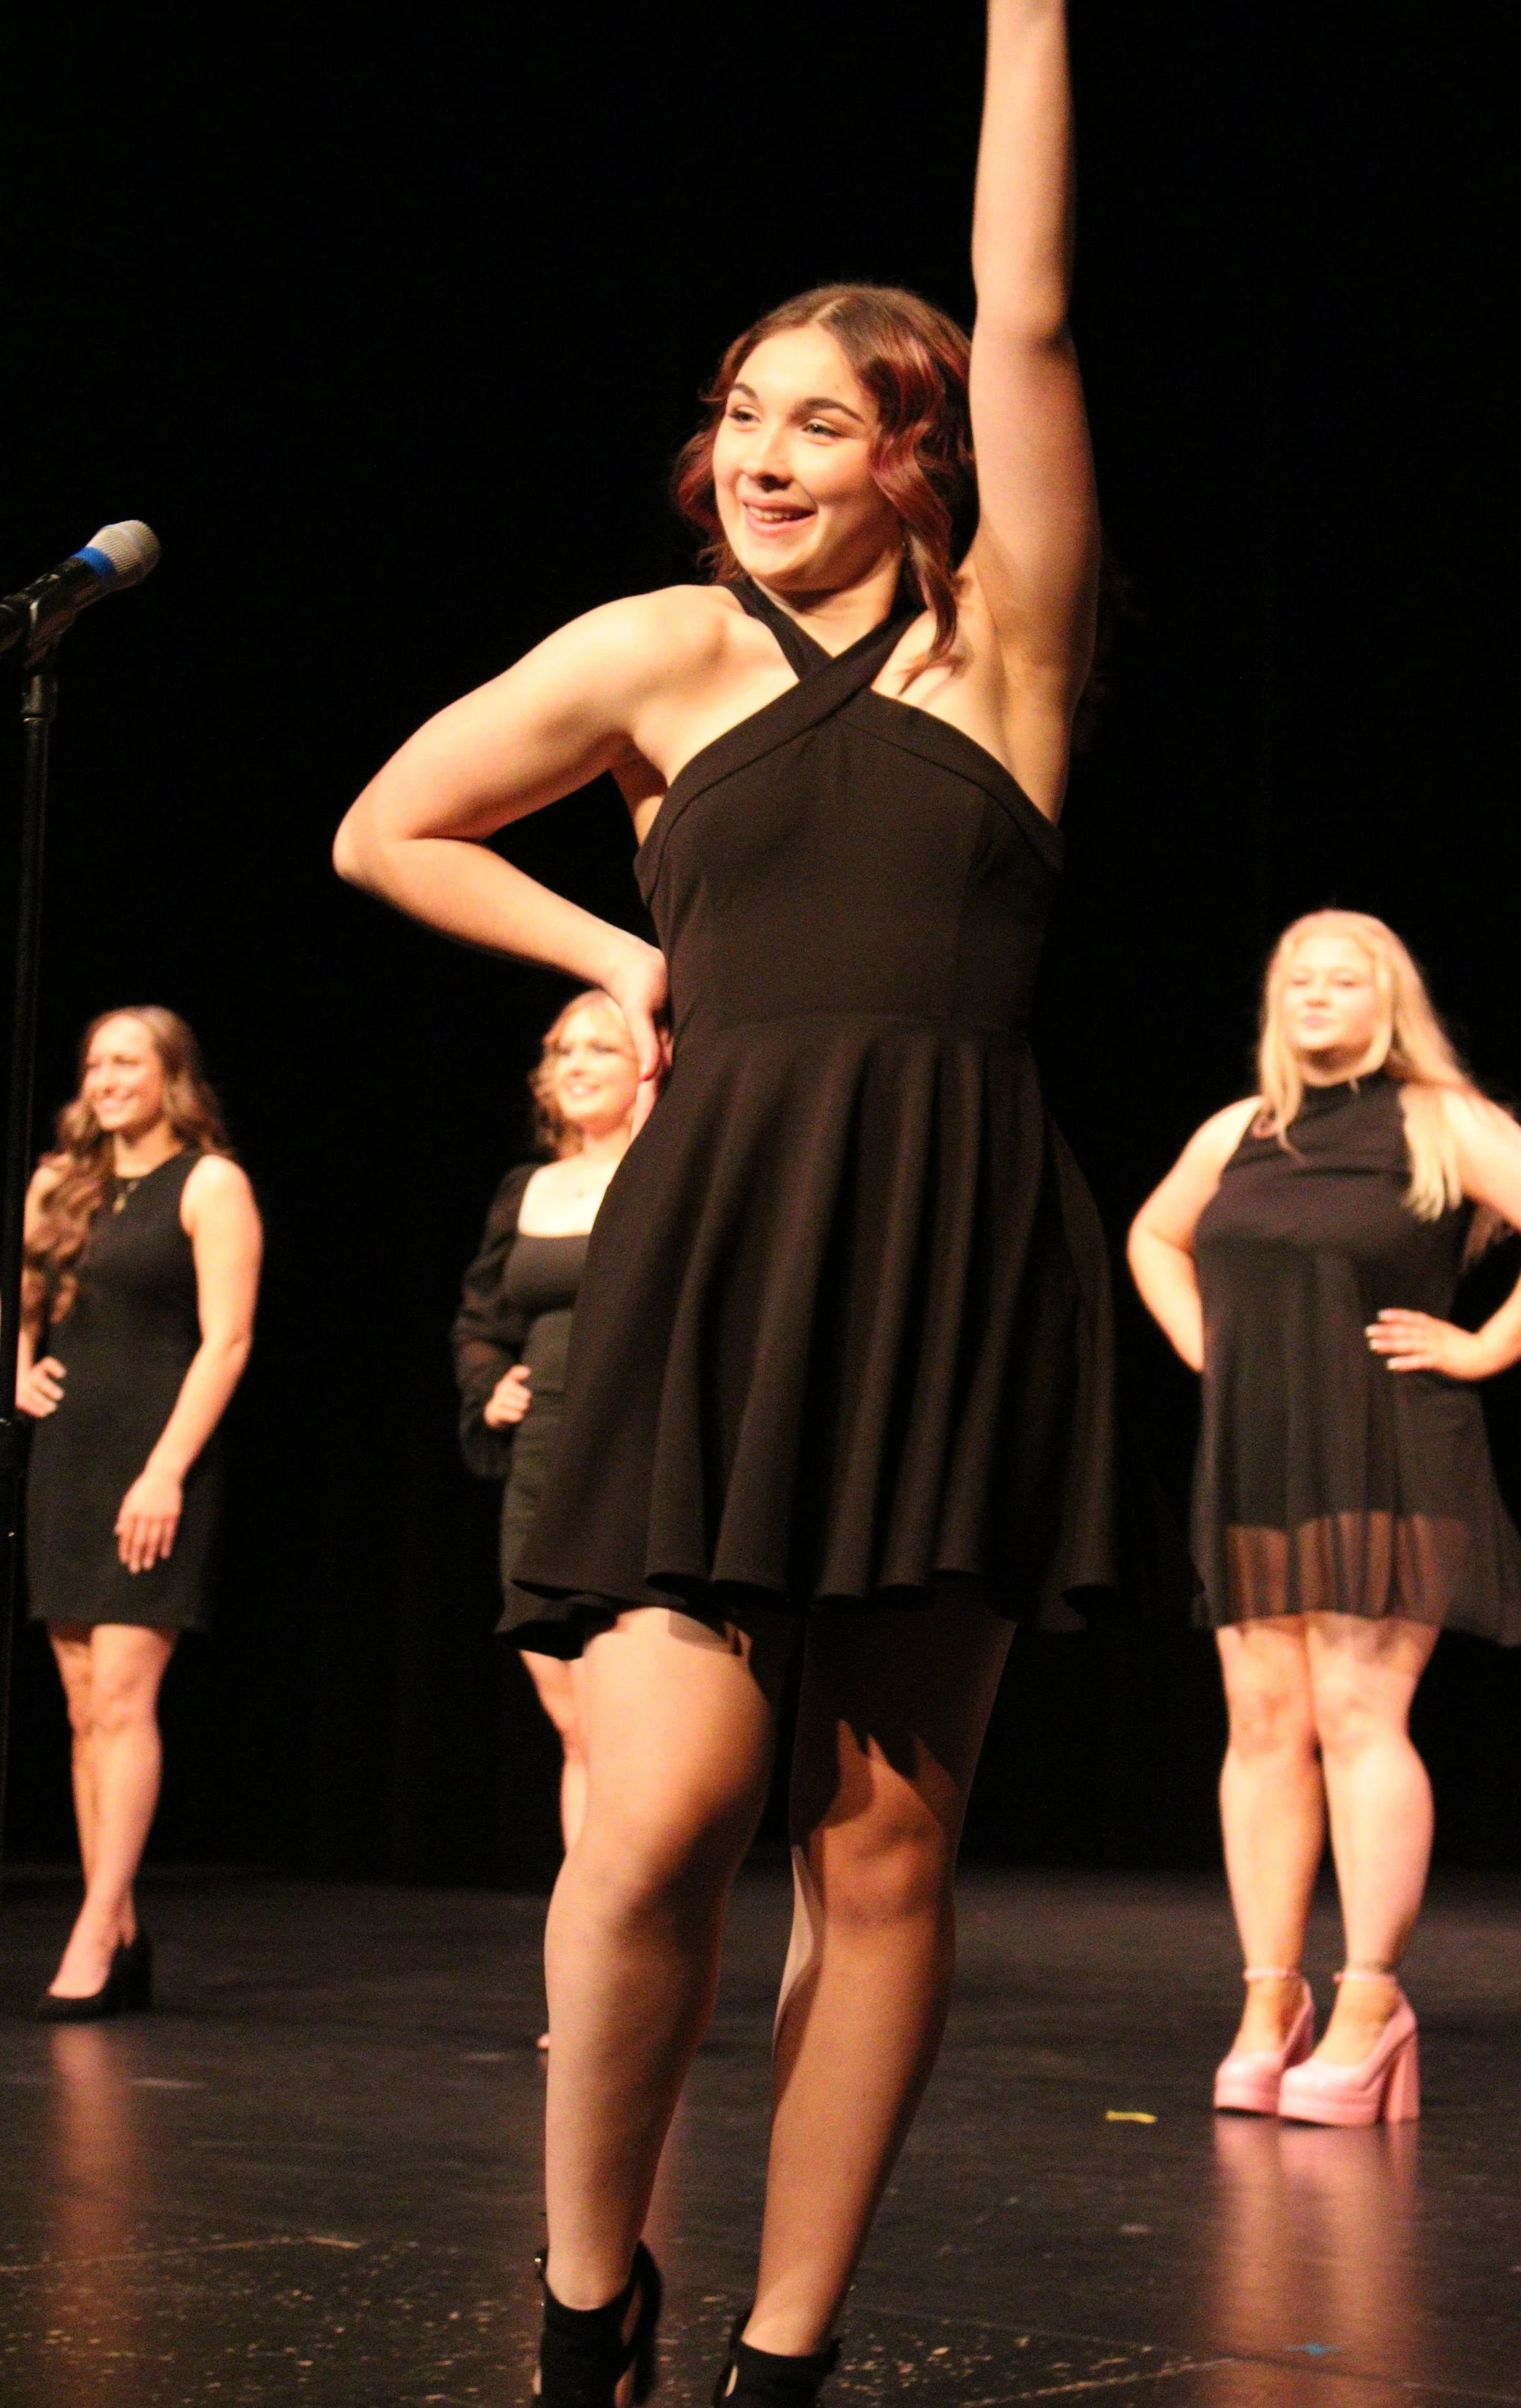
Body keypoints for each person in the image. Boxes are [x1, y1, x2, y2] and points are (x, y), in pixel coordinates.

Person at [337, 2, 1112, 2395]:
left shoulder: (1012, 652)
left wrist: (1021, 22)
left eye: (822, 418)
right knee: (658, 1816)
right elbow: (387, 827)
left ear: (918, 456)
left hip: (951, 1251)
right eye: (740, 412)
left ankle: (786, 2348)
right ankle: (595, 2304)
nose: (763, 452)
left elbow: (1039, 305)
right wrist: (622, 953)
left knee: (882, 1848)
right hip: (718, 1254)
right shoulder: (659, 655)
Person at [1129, 910, 1521, 2125]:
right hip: (1260, 1450)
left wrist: (1490, 1344)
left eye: (1345, 977)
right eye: (1298, 976)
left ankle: (1369, 1999)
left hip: (1392, 1443)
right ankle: (1266, 1999)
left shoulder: (1436, 1118)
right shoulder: (1241, 1129)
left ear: (1389, 1000)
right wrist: (1204, 1345)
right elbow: (1153, 1234)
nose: (1317, 993)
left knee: (1355, 1709)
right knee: (1264, 1716)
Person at [17, 1007, 262, 2021]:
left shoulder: (211, 1183)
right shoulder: (57, 1183)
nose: (107, 1078)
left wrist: (164, 1469)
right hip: (68, 1460)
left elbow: (229, 1339)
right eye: (95, 1063)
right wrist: (20, 1367)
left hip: (156, 1463)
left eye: (128, 1061)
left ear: (173, 1077)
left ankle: (96, 1923)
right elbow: (27, 1297)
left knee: (123, 1697)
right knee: (82, 1705)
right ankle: (115, 1923)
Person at [453, 991, 641, 1902]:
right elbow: (482, 1321)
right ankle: (588, 1971)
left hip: (635, 1464)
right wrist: (491, 1384)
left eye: (597, 1046)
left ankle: (632, 1947)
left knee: (627, 1732)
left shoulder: (667, 1175)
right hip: (541, 1463)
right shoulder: (526, 1189)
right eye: (560, 1048)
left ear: (647, 1060)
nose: (572, 1063)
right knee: (573, 1728)